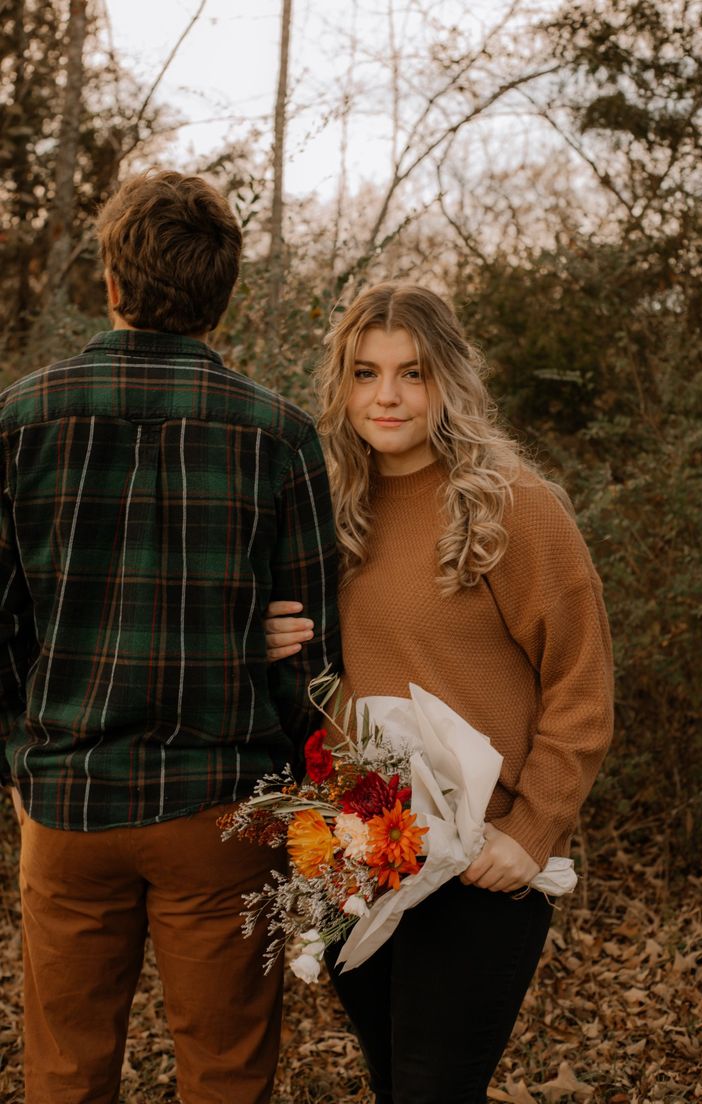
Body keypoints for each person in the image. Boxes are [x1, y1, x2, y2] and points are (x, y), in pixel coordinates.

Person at [0, 170, 341, 1104]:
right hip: (220, 809)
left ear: (111, 279)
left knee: (65, 1072)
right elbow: (312, 655)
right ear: (222, 295)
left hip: (68, 802)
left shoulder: (22, 419)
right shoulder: (279, 436)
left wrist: (23, 758)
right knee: (227, 1074)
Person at [264, 282, 614, 1104]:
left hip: (482, 863)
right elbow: (325, 681)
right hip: (364, 852)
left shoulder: (513, 506)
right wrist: (275, 642)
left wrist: (531, 830)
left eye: (412, 373)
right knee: (395, 1080)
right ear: (340, 384)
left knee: (432, 1088)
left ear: (449, 379)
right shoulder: (326, 510)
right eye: (365, 372)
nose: (385, 396)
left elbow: (583, 681)